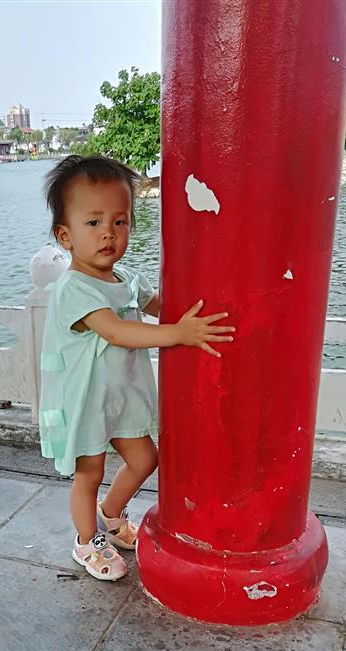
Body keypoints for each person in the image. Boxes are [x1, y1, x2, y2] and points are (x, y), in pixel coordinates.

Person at [39, 154, 235, 581]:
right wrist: (179, 334)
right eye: (93, 222)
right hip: (86, 401)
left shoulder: (127, 278)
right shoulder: (73, 287)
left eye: (120, 221)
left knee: (146, 458)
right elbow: (115, 331)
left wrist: (203, 307)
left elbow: (165, 308)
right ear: (65, 235)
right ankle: (86, 541)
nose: (108, 233)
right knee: (89, 473)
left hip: (122, 397)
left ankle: (110, 514)